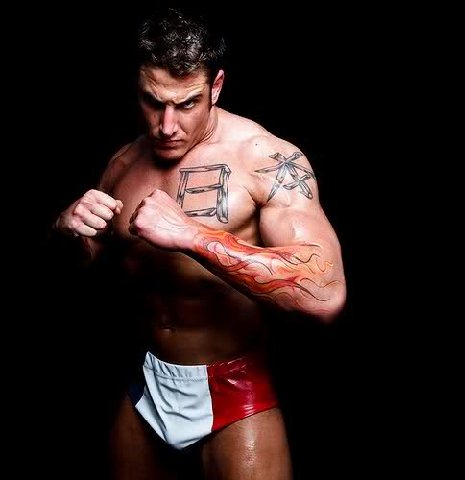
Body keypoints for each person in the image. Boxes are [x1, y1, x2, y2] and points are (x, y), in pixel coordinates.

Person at [52, 7, 347, 479]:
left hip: (235, 388)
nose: (167, 125)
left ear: (217, 87)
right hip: (146, 383)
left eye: (187, 104)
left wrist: (193, 236)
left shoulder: (263, 158)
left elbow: (325, 295)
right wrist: (67, 229)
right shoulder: (124, 163)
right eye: (153, 102)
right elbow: (80, 269)